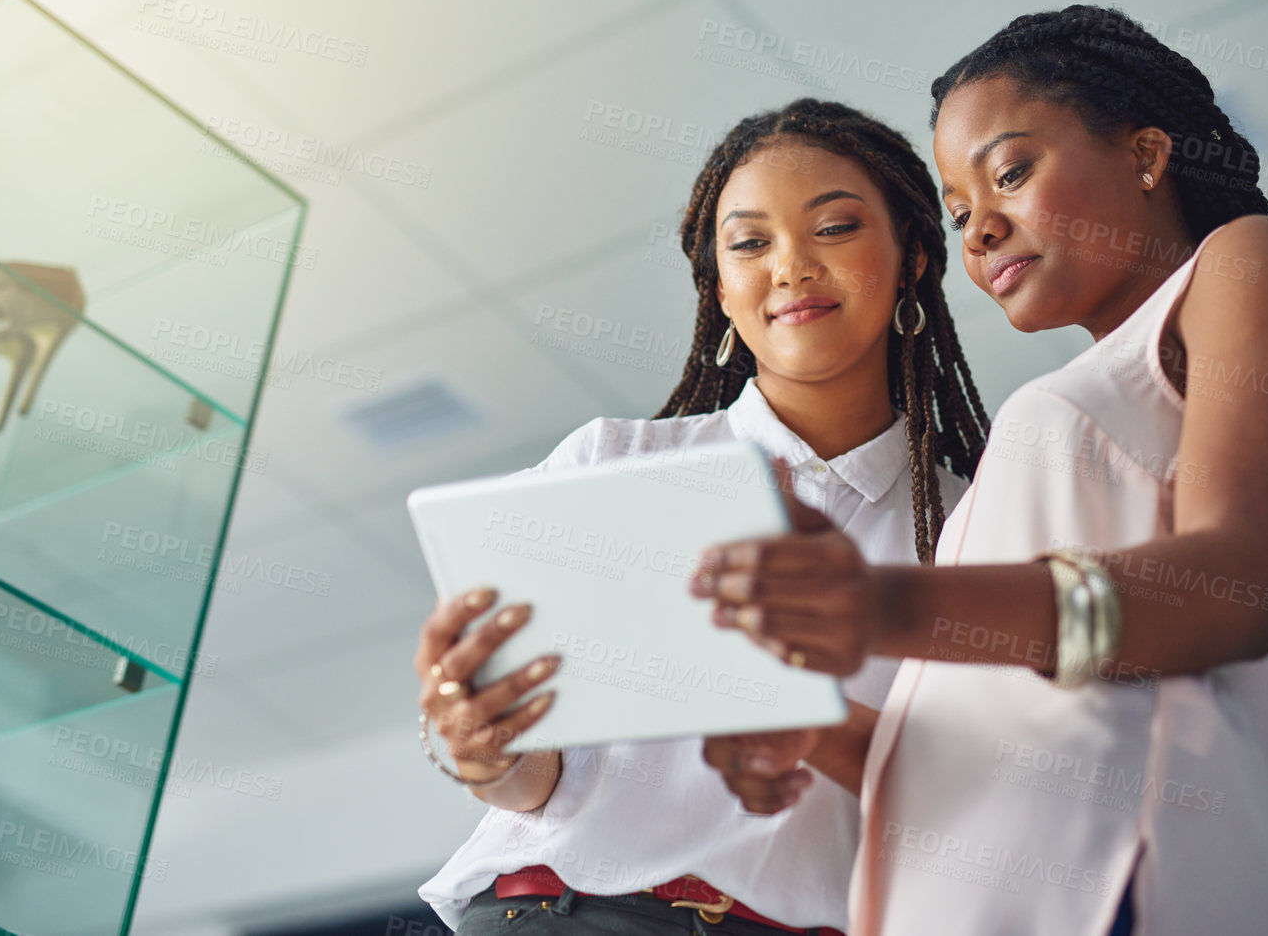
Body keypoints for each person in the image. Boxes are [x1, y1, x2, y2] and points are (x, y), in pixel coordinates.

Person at [693, 6, 1268, 935]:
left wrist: (884, 605)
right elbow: (1002, 750)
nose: (980, 230)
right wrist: (820, 732)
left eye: (1010, 172)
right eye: (959, 212)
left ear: (1145, 153)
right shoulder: (1033, 440)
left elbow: (1230, 585)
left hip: (1115, 888)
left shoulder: (1241, 265)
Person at [412, 98, 991, 934]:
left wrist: (787, 698)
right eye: (750, 243)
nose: (788, 267)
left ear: (913, 260)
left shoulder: (976, 525)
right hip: (561, 912)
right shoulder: (611, 464)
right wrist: (479, 749)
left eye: (832, 228)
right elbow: (538, 783)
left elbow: (978, 803)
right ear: (719, 289)